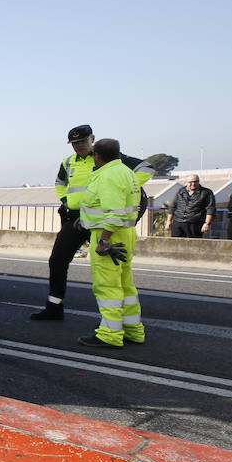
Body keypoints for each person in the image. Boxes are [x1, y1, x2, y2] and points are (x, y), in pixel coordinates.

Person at [31, 125, 154, 320]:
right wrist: (65, 201)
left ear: (92, 139)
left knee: (109, 272)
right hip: (76, 218)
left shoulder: (108, 157)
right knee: (57, 260)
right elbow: (60, 184)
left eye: (82, 141)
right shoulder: (68, 162)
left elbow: (147, 169)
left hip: (101, 221)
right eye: (74, 143)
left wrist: (126, 187)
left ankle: (116, 320)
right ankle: (54, 307)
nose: (78, 146)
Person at [76, 139, 145, 348]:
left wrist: (103, 241)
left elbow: (113, 212)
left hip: (110, 236)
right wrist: (86, 219)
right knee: (125, 284)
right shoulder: (126, 172)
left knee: (107, 286)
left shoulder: (107, 175)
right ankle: (133, 330)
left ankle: (109, 334)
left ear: (97, 155)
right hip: (126, 233)